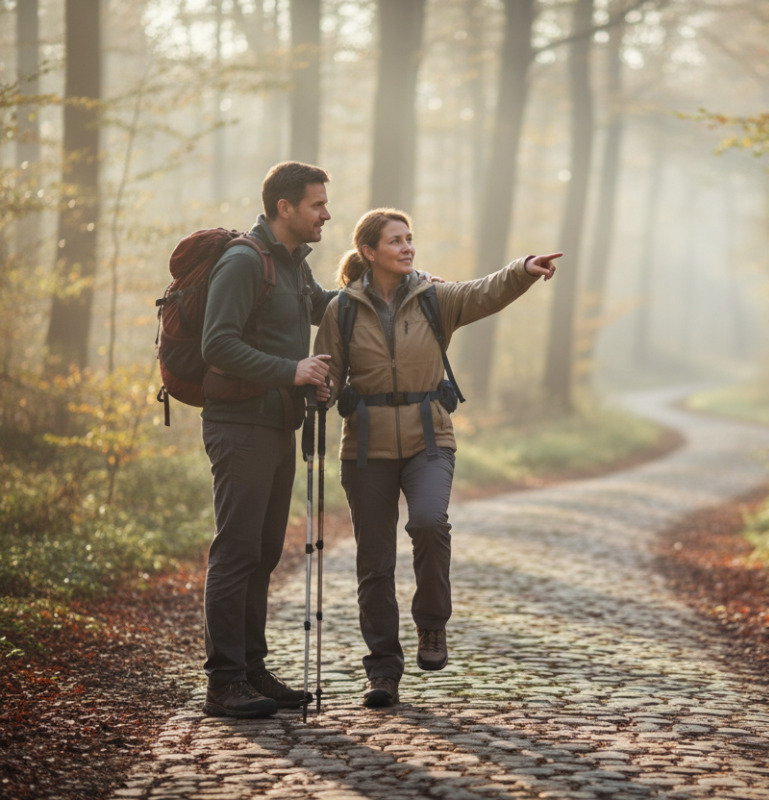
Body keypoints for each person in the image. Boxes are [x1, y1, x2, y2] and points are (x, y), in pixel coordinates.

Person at [313, 208, 560, 708]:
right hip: (364, 448)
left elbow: (482, 292)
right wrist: (318, 389)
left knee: (428, 522)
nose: (407, 248)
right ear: (368, 252)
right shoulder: (340, 310)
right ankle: (382, 671)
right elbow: (327, 371)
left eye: (410, 239)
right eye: (395, 241)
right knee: (374, 563)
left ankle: (431, 625)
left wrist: (523, 268)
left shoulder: (434, 299)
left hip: (430, 440)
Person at [199, 161, 338, 718]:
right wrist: (293, 371)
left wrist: (404, 286)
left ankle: (252, 671)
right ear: (285, 208)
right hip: (239, 426)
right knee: (235, 552)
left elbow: (332, 305)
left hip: (278, 426)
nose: (326, 213)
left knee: (262, 554)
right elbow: (217, 344)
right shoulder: (243, 262)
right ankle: (224, 682)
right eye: (316, 204)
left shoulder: (294, 267)